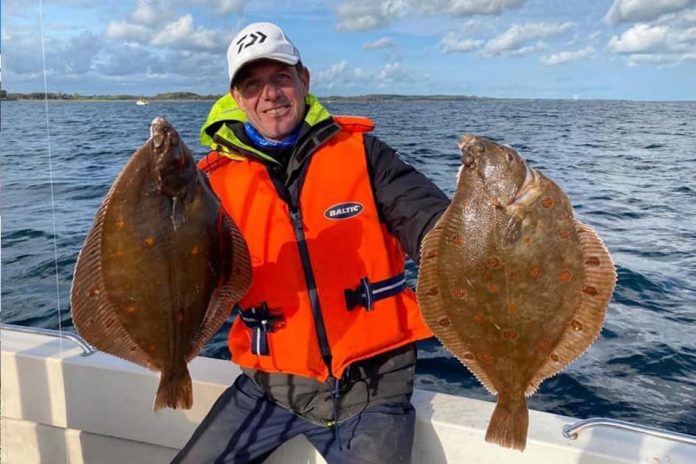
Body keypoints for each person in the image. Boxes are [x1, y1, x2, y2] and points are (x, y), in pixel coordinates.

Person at [172, 22, 450, 464]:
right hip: (269, 386)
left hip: (374, 386)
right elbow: (182, 273)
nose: (270, 94)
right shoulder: (210, 184)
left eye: (280, 77)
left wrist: (473, 242)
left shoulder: (364, 153)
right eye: (253, 84)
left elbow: (430, 222)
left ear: (304, 79)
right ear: (237, 98)